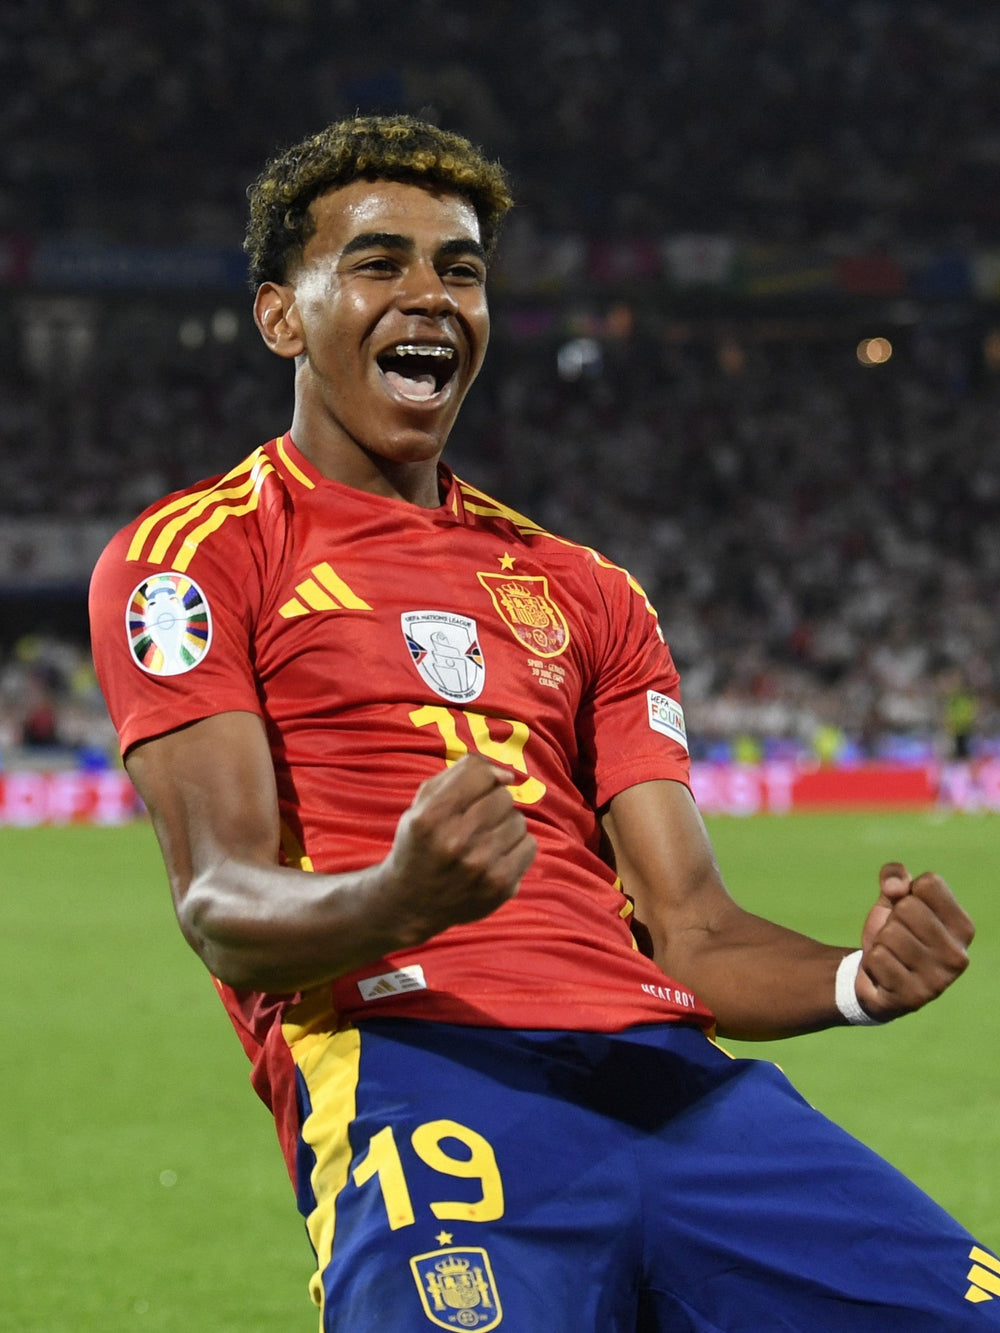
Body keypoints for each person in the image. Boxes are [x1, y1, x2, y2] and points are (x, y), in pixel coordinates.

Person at [89, 114, 998, 1332]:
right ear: (281, 317)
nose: (430, 295)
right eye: (378, 263)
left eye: (458, 269)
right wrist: (396, 897)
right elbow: (220, 903)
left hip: (672, 1086)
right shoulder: (194, 557)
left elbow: (691, 928)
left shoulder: (585, 589)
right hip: (417, 1072)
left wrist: (852, 980)